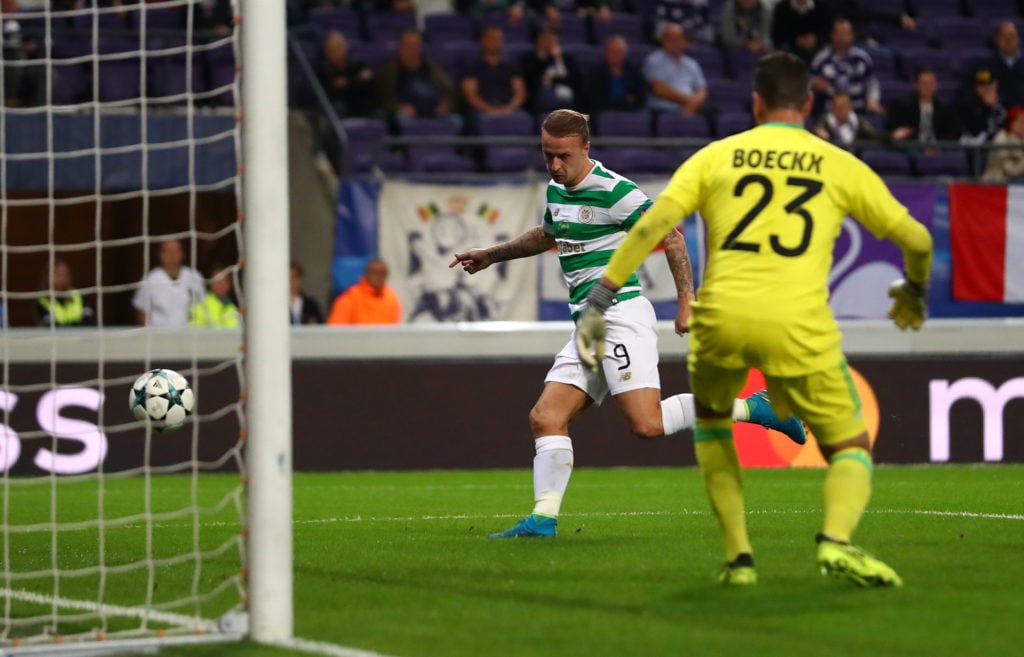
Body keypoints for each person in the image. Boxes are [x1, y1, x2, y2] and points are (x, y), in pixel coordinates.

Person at [575, 52, 933, 587]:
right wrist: (915, 288)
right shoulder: (838, 162)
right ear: (809, 104)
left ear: (756, 103)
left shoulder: (716, 157)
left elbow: (650, 229)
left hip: (720, 320)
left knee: (716, 428)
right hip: (798, 323)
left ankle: (740, 560)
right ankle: (835, 541)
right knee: (850, 447)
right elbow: (919, 240)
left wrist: (600, 303)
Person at [450, 108, 806, 540]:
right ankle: (542, 520)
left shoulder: (616, 191)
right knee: (545, 417)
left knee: (647, 425)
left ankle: (757, 408)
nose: (555, 165)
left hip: (620, 315)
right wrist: (492, 253)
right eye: (547, 155)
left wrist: (686, 300)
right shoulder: (556, 188)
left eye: (563, 155)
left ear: (586, 148)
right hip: (589, 326)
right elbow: (548, 234)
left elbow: (670, 235)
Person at [376, 29, 461, 131]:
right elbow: (383, 97)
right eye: (408, 45)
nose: (412, 49)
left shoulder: (432, 68)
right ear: (400, 47)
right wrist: (399, 107)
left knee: (457, 121)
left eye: (415, 45)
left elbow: (449, 91)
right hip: (406, 113)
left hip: (435, 112)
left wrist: (446, 105)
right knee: (402, 120)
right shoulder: (389, 70)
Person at [459, 25, 528, 131]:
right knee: (478, 120)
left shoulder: (510, 66)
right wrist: (490, 110)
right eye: (492, 38)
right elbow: (470, 95)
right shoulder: (472, 66)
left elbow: (520, 92)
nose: (496, 42)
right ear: (483, 40)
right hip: (481, 110)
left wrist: (509, 108)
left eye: (499, 39)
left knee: (524, 119)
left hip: (508, 108)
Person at [810, 19, 883, 116]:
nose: (842, 37)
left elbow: (872, 83)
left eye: (845, 33)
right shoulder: (821, 59)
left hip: (859, 110)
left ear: (852, 35)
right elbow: (810, 82)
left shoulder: (862, 58)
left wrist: (873, 100)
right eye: (838, 33)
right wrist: (815, 84)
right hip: (830, 113)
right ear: (832, 35)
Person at [133, 239, 206, 327]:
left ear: (182, 254)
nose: (172, 255)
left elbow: (201, 308)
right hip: (158, 336)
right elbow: (142, 311)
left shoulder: (194, 277)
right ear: (160, 255)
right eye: (167, 251)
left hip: (186, 335)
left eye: (175, 251)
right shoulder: (150, 279)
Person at [644, 23, 708, 115]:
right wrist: (689, 101)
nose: (674, 42)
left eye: (677, 38)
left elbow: (702, 90)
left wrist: (693, 103)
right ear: (663, 40)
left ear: (683, 40)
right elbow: (658, 89)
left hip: (692, 109)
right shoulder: (654, 61)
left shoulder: (692, 64)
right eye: (670, 38)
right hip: (663, 110)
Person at [521, 23, 585, 114]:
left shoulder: (567, 59)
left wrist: (553, 79)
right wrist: (549, 58)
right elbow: (533, 80)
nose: (549, 41)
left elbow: (576, 80)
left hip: (569, 104)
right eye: (545, 37)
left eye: (552, 37)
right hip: (541, 106)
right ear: (538, 40)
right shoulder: (530, 59)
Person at [887, 67, 960, 146]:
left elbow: (953, 132)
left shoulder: (945, 107)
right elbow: (898, 131)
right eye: (924, 84)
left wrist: (939, 146)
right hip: (913, 148)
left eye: (931, 83)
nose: (928, 87)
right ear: (916, 85)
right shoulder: (903, 106)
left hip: (939, 148)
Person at [316, 31, 375, 119]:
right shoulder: (323, 69)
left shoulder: (357, 64)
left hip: (359, 105)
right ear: (326, 51)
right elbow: (334, 91)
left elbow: (369, 84)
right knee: (339, 107)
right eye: (332, 49)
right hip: (339, 108)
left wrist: (347, 82)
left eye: (339, 47)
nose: (336, 52)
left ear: (345, 47)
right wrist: (358, 79)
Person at [327, 258, 402, 325]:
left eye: (381, 273)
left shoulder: (391, 298)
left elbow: (395, 330)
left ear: (387, 275)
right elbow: (335, 333)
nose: (378, 276)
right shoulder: (349, 299)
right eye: (374, 272)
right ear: (366, 273)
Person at [588, 35, 647, 113]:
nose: (615, 55)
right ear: (606, 52)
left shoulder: (634, 72)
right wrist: (626, 100)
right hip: (604, 113)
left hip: (630, 112)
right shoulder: (596, 73)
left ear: (625, 53)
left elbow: (640, 98)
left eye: (619, 51)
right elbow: (595, 99)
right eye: (612, 51)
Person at [812, 91, 887, 147]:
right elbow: (819, 129)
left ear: (850, 107)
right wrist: (819, 133)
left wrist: (891, 135)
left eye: (844, 106)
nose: (841, 110)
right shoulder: (825, 121)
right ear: (832, 108)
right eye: (838, 106)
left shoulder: (857, 121)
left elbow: (873, 135)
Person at [35, 259, 96, 327]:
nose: (62, 277)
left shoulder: (78, 295)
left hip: (80, 336)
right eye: (58, 273)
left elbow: (89, 321)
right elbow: (50, 326)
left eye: (64, 274)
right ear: (48, 276)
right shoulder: (42, 302)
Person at [771, 0, 832, 65]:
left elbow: (828, 34)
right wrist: (796, 40)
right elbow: (776, 36)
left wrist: (816, 39)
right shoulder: (781, 8)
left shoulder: (823, 8)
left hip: (817, 52)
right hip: (790, 53)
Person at [984, 21, 1024, 109]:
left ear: (1018, 39)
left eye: (1012, 36)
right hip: (997, 114)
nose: (1008, 41)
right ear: (997, 40)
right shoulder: (986, 67)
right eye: (1004, 37)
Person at [981, 105, 1024, 182]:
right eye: (1021, 121)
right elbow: (1009, 170)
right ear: (1011, 123)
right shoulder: (1001, 139)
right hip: (995, 183)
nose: (1023, 125)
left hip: (1016, 183)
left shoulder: (1021, 139)